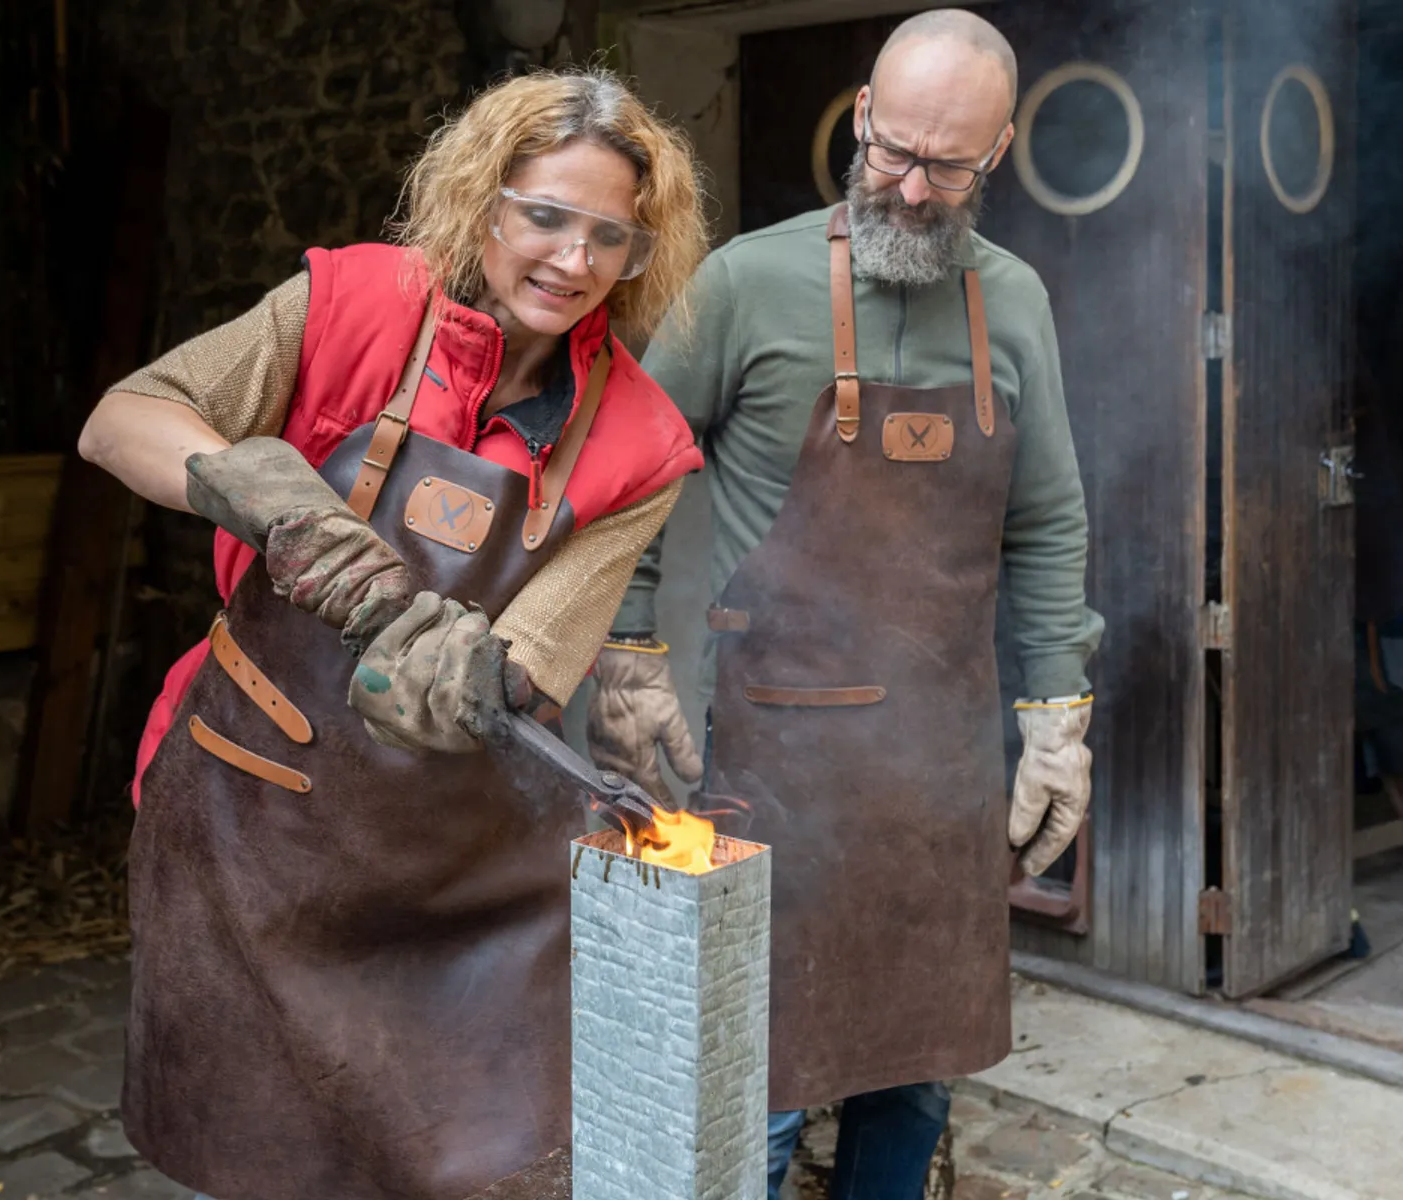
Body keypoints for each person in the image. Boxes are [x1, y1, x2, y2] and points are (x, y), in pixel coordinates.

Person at [78, 68, 708, 1200]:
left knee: (473, 1165)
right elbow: (121, 418)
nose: (573, 260)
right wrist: (246, 485)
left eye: (608, 236)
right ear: (487, 203)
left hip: (454, 872)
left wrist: (471, 676)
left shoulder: (642, 441)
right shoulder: (353, 304)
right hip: (248, 833)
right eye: (546, 217)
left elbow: (536, 659)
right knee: (261, 1163)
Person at [584, 11, 1104, 1199]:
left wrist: (1058, 715)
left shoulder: (1014, 302)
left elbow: (1048, 522)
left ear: (1001, 153)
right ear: (863, 116)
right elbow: (627, 477)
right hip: (779, 760)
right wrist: (625, 653)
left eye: (949, 167)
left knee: (915, 1070)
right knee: (763, 1073)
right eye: (896, 154)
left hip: (941, 763)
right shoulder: (744, 282)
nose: (914, 190)